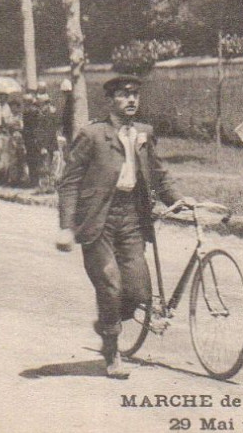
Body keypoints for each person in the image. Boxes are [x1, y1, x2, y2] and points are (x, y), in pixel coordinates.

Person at [54, 75, 185, 378]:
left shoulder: (144, 133)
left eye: (135, 95)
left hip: (132, 219)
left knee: (139, 291)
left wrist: (179, 199)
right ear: (110, 100)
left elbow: (159, 174)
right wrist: (66, 227)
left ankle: (107, 323)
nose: (131, 101)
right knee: (110, 283)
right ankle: (112, 352)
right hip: (99, 220)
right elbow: (69, 183)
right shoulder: (92, 135)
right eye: (125, 95)